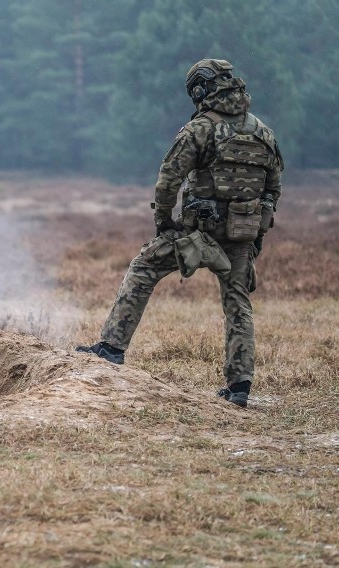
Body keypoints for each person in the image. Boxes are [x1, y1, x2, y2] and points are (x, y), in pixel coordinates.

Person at [76, 58, 283, 408]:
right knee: (238, 304)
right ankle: (239, 387)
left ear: (201, 91)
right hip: (240, 235)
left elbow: (168, 179)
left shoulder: (199, 130)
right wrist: (257, 227)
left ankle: (111, 348)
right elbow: (273, 187)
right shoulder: (263, 131)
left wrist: (163, 220)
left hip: (197, 235)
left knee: (143, 268)